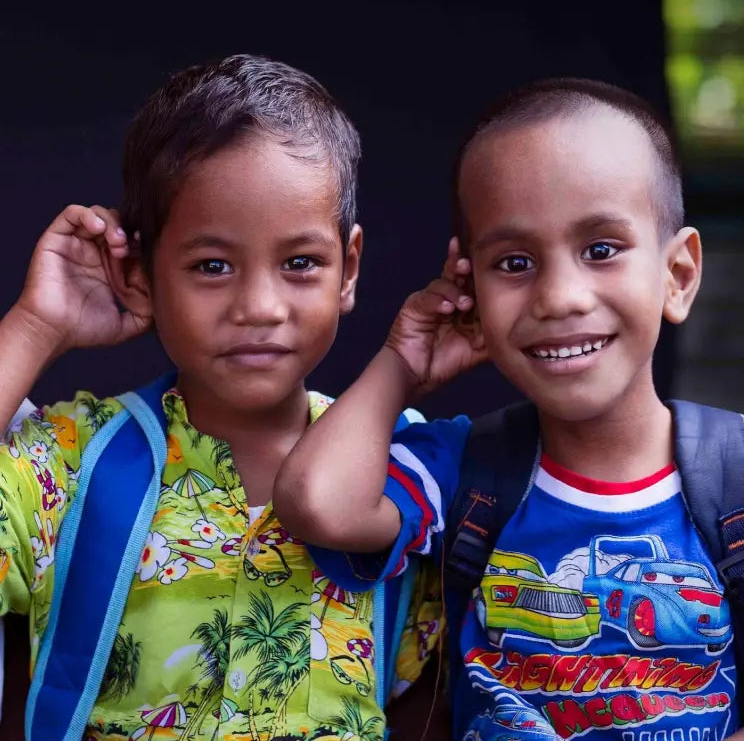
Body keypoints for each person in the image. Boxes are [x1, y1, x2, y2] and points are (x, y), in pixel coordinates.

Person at [274, 78, 743, 740]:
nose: (559, 296)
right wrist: (403, 363)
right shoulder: (464, 469)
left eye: (601, 250)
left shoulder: (735, 477)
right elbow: (317, 502)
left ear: (678, 276)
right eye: (515, 263)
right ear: (470, 286)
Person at [0, 54, 438, 740]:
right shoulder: (72, 461)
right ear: (139, 273)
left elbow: (435, 695)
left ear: (348, 270)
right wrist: (36, 326)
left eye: (300, 263)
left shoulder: (399, 469)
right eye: (212, 266)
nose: (259, 306)